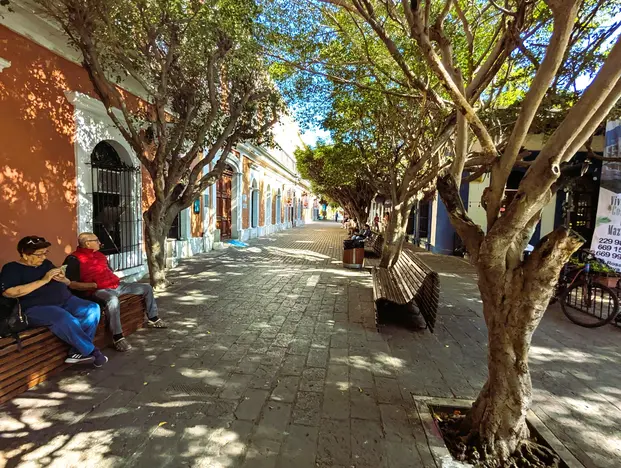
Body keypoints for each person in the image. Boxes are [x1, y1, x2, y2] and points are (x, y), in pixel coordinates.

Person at [0, 236, 107, 366]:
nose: (43, 257)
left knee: (92, 308)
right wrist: (44, 280)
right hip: (35, 308)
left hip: (66, 300)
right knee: (63, 317)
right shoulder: (12, 268)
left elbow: (61, 280)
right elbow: (9, 292)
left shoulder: (46, 263)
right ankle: (92, 352)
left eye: (45, 253)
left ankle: (76, 352)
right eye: (39, 254)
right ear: (25, 254)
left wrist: (61, 278)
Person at [64, 233, 167, 352]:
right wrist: (94, 285)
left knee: (147, 288)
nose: (99, 243)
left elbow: (109, 272)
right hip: (97, 290)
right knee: (112, 300)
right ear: (87, 243)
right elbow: (70, 283)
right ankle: (117, 337)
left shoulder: (100, 256)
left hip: (116, 285)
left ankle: (153, 318)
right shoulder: (73, 259)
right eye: (96, 240)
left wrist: (113, 281)